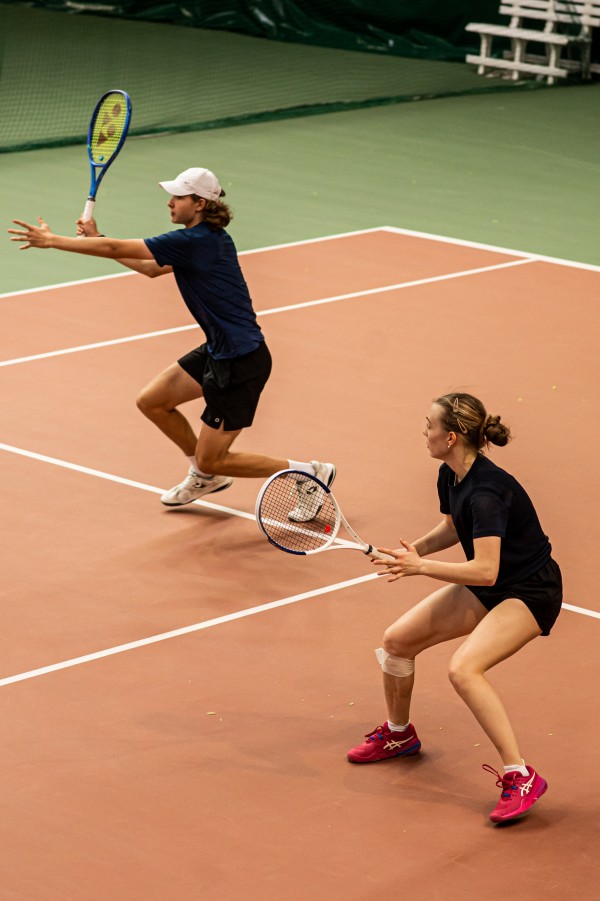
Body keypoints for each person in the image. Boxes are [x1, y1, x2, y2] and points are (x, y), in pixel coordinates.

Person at [9, 167, 334, 519]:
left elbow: (116, 247)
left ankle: (309, 473)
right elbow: (150, 268)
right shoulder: (202, 241)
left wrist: (53, 240)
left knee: (214, 458)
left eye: (178, 197)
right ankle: (205, 477)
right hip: (219, 350)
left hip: (239, 362)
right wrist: (96, 236)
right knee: (153, 401)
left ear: (199, 203)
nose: (170, 202)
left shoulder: (195, 241)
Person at [347, 393, 562, 825]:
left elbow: (485, 571)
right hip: (493, 583)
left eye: (429, 425)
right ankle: (399, 734)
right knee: (397, 642)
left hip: (528, 590)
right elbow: (452, 526)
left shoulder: (487, 492)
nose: (423, 432)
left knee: (464, 669)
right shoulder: (451, 474)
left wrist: (421, 568)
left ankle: (521, 776)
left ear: (450, 437)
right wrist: (413, 551)